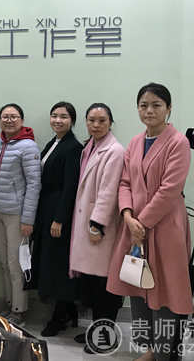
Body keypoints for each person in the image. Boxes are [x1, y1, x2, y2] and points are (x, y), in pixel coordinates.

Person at [106, 83, 192, 361]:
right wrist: (127, 216)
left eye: (156, 105)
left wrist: (141, 223)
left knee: (165, 289)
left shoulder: (178, 142)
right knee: (138, 284)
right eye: (144, 105)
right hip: (134, 226)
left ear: (169, 108)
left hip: (164, 226)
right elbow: (124, 183)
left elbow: (169, 190)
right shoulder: (134, 142)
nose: (149, 111)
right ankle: (149, 347)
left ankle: (164, 351)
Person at [69, 103, 124, 350]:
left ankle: (104, 337)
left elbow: (108, 192)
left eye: (102, 120)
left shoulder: (115, 151)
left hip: (100, 228)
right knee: (92, 285)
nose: (96, 125)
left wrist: (97, 224)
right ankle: (95, 330)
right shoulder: (90, 147)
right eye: (91, 120)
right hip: (87, 225)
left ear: (110, 123)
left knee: (105, 288)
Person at [30, 102, 82, 337]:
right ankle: (67, 310)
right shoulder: (54, 142)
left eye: (63, 116)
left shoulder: (73, 147)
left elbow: (70, 186)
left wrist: (59, 219)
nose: (58, 120)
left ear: (72, 121)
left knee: (58, 265)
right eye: (54, 115)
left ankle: (60, 316)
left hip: (59, 214)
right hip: (46, 209)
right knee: (48, 262)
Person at [0, 103, 41, 326]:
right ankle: (10, 303)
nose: (9, 120)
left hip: (17, 216)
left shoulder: (29, 147)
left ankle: (19, 310)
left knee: (16, 263)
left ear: (22, 120)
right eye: (5, 116)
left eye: (13, 116)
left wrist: (28, 220)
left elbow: (34, 184)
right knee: (3, 261)